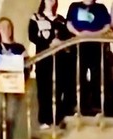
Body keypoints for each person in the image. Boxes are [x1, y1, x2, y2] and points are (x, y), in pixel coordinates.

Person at [29, 0, 75, 129]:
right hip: (44, 59)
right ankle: (45, 119)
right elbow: (32, 36)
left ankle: (59, 117)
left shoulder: (60, 20)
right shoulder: (36, 18)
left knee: (60, 88)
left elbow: (68, 37)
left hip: (61, 60)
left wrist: (61, 43)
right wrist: (49, 42)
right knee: (44, 89)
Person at [66, 0, 112, 117]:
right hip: (79, 44)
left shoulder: (100, 8)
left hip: (96, 45)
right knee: (78, 75)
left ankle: (97, 106)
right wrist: (79, 34)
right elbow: (69, 23)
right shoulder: (75, 6)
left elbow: (107, 26)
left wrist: (94, 34)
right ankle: (79, 105)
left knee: (97, 75)